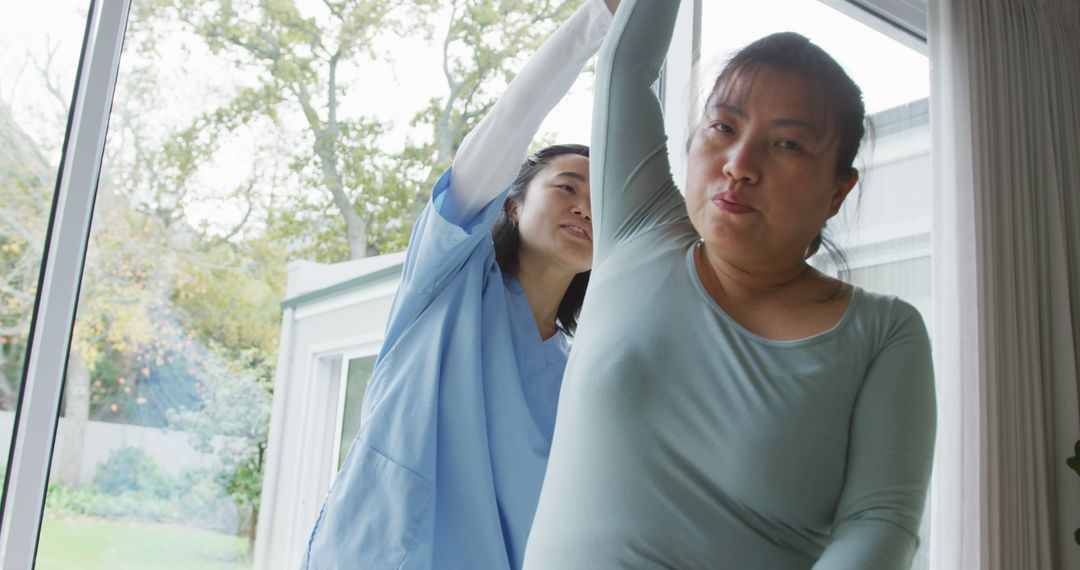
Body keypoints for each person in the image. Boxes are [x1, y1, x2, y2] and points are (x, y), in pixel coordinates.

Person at [522, 1, 936, 569]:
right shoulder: (639, 229)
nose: (740, 163)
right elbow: (627, 64)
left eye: (787, 143)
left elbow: (878, 524)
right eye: (723, 126)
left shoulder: (883, 333)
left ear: (838, 190)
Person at [300, 1, 618, 569]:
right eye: (567, 188)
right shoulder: (448, 280)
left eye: (601, 202)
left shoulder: (578, 378)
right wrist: (597, 19)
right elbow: (506, 126)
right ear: (513, 206)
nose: (585, 209)